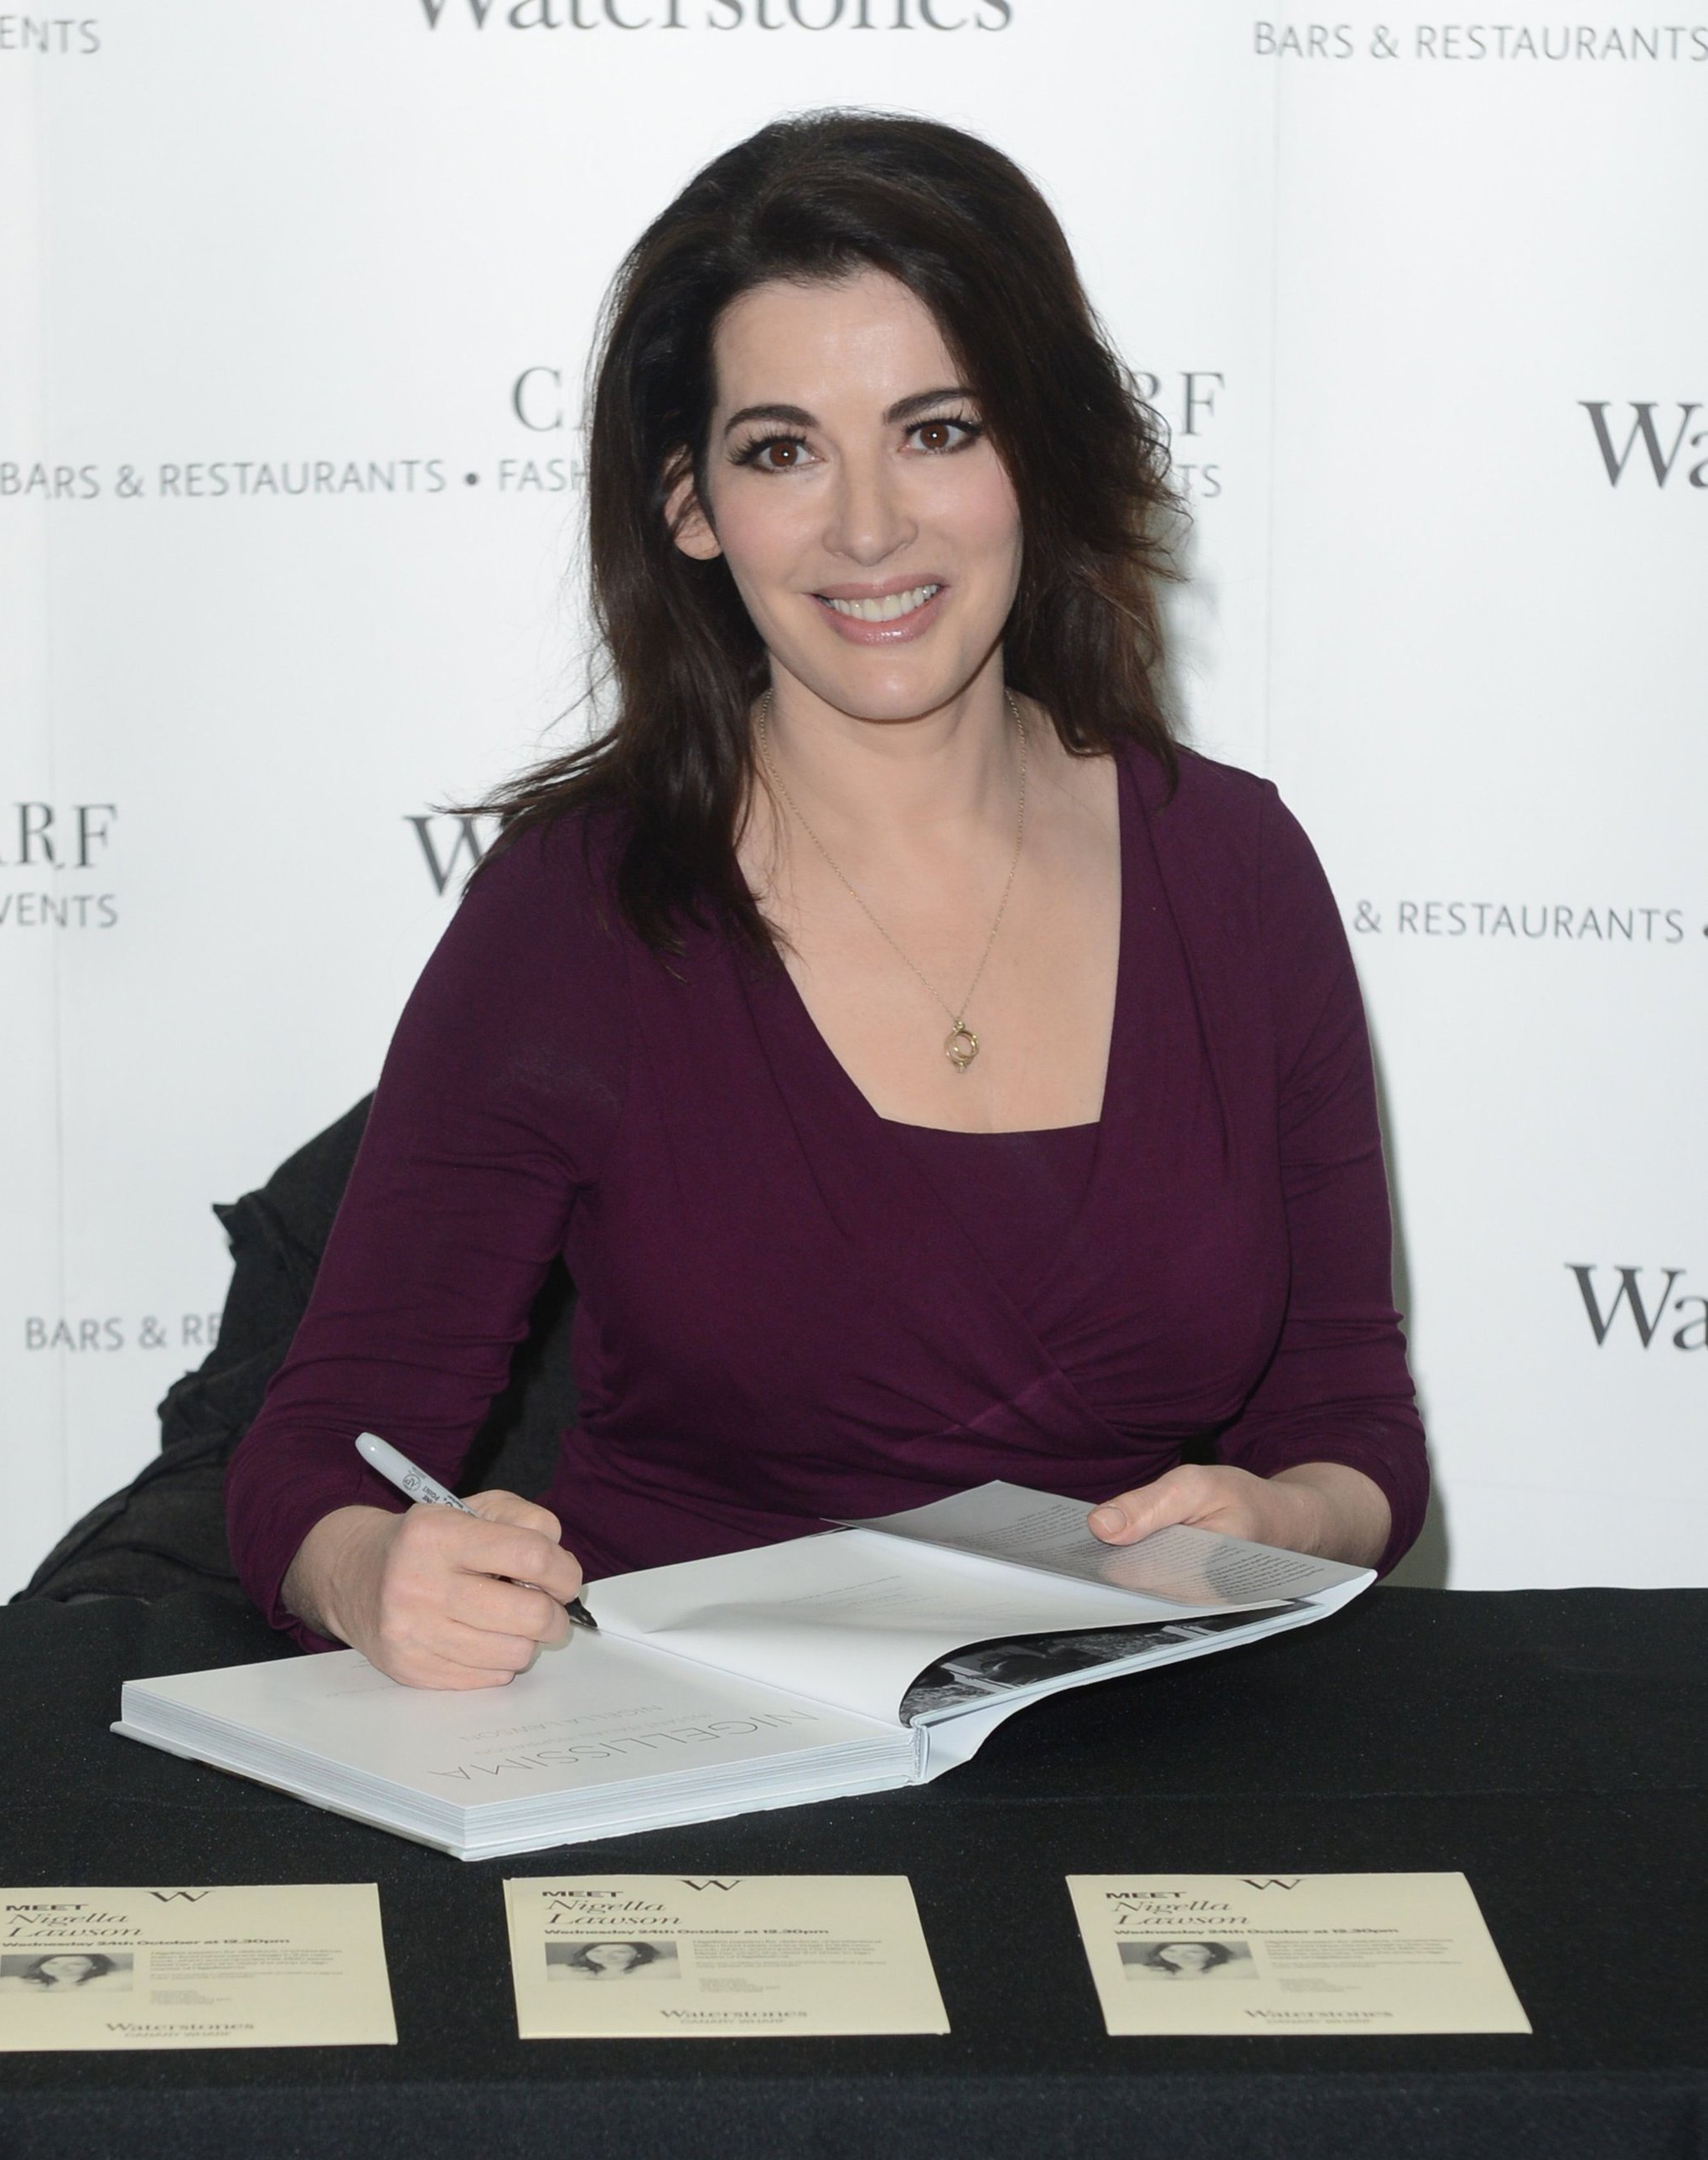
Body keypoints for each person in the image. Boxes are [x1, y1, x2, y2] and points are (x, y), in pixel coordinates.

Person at [226, 110, 1427, 1689]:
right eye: (782, 449)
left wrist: (1282, 1518)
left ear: (1041, 453)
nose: (869, 526)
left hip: (1139, 1739)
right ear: (690, 504)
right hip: (691, 1759)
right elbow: (314, 1453)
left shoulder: (1235, 867)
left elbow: (1351, 1423)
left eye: (938, 430)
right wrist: (374, 1568)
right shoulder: (575, 909)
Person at [551, 1942, 675, 1981]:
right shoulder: (568, 1973)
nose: (607, 1956)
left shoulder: (656, 1972)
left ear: (639, 1954)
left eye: (620, 1952)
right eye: (597, 1951)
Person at [1134, 1942, 1245, 1980]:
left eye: (1193, 1952)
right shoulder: (1145, 1973)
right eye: (1171, 1950)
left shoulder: (1232, 1972)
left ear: (1214, 1953)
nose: (1180, 1955)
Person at [12, 1953, 120, 1991]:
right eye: (53, 1963)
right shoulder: (24, 1984)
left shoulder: (106, 1985)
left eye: (76, 1964)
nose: (61, 1968)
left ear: (95, 1966)